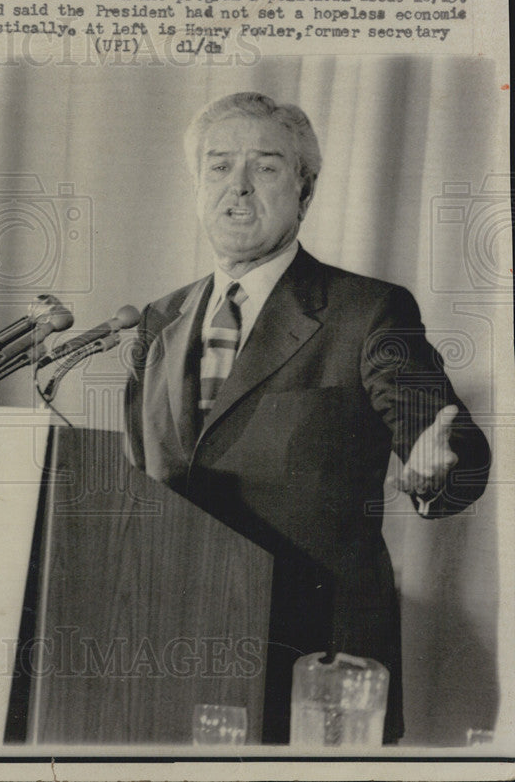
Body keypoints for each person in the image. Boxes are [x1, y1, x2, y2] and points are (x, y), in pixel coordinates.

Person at [124, 92, 491, 744]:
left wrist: (439, 469)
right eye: (217, 167)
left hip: (314, 669)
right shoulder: (157, 322)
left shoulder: (367, 312)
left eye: (264, 167)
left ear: (306, 188)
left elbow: (448, 441)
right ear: (195, 186)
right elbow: (135, 488)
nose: (236, 188)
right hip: (174, 664)